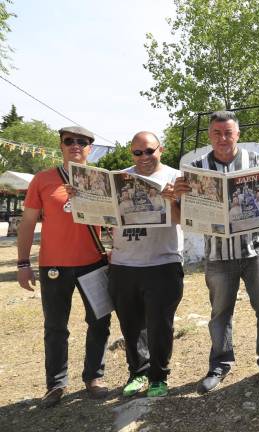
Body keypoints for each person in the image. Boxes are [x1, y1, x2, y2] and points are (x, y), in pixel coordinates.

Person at [174, 111, 259, 392]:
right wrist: (179, 196)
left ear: (237, 134)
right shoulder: (196, 168)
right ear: (210, 135)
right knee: (220, 312)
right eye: (217, 133)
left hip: (256, 250)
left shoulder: (257, 163)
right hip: (218, 254)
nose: (223, 139)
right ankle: (220, 364)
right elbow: (184, 214)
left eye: (228, 133)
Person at [16, 126, 111, 407]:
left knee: (99, 322)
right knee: (56, 327)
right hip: (54, 265)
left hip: (93, 262)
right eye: (69, 141)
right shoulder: (43, 180)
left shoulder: (100, 180)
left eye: (82, 142)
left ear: (90, 148)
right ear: (61, 145)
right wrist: (23, 262)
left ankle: (94, 377)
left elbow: (114, 219)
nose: (75, 146)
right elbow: (28, 223)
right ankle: (55, 384)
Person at [108, 131, 183, 398]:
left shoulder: (175, 177)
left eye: (149, 151)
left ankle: (159, 377)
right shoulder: (118, 178)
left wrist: (171, 199)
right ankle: (138, 373)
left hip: (162, 261)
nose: (143, 157)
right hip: (123, 263)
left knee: (160, 324)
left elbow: (183, 220)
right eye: (137, 153)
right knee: (130, 325)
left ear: (160, 150)